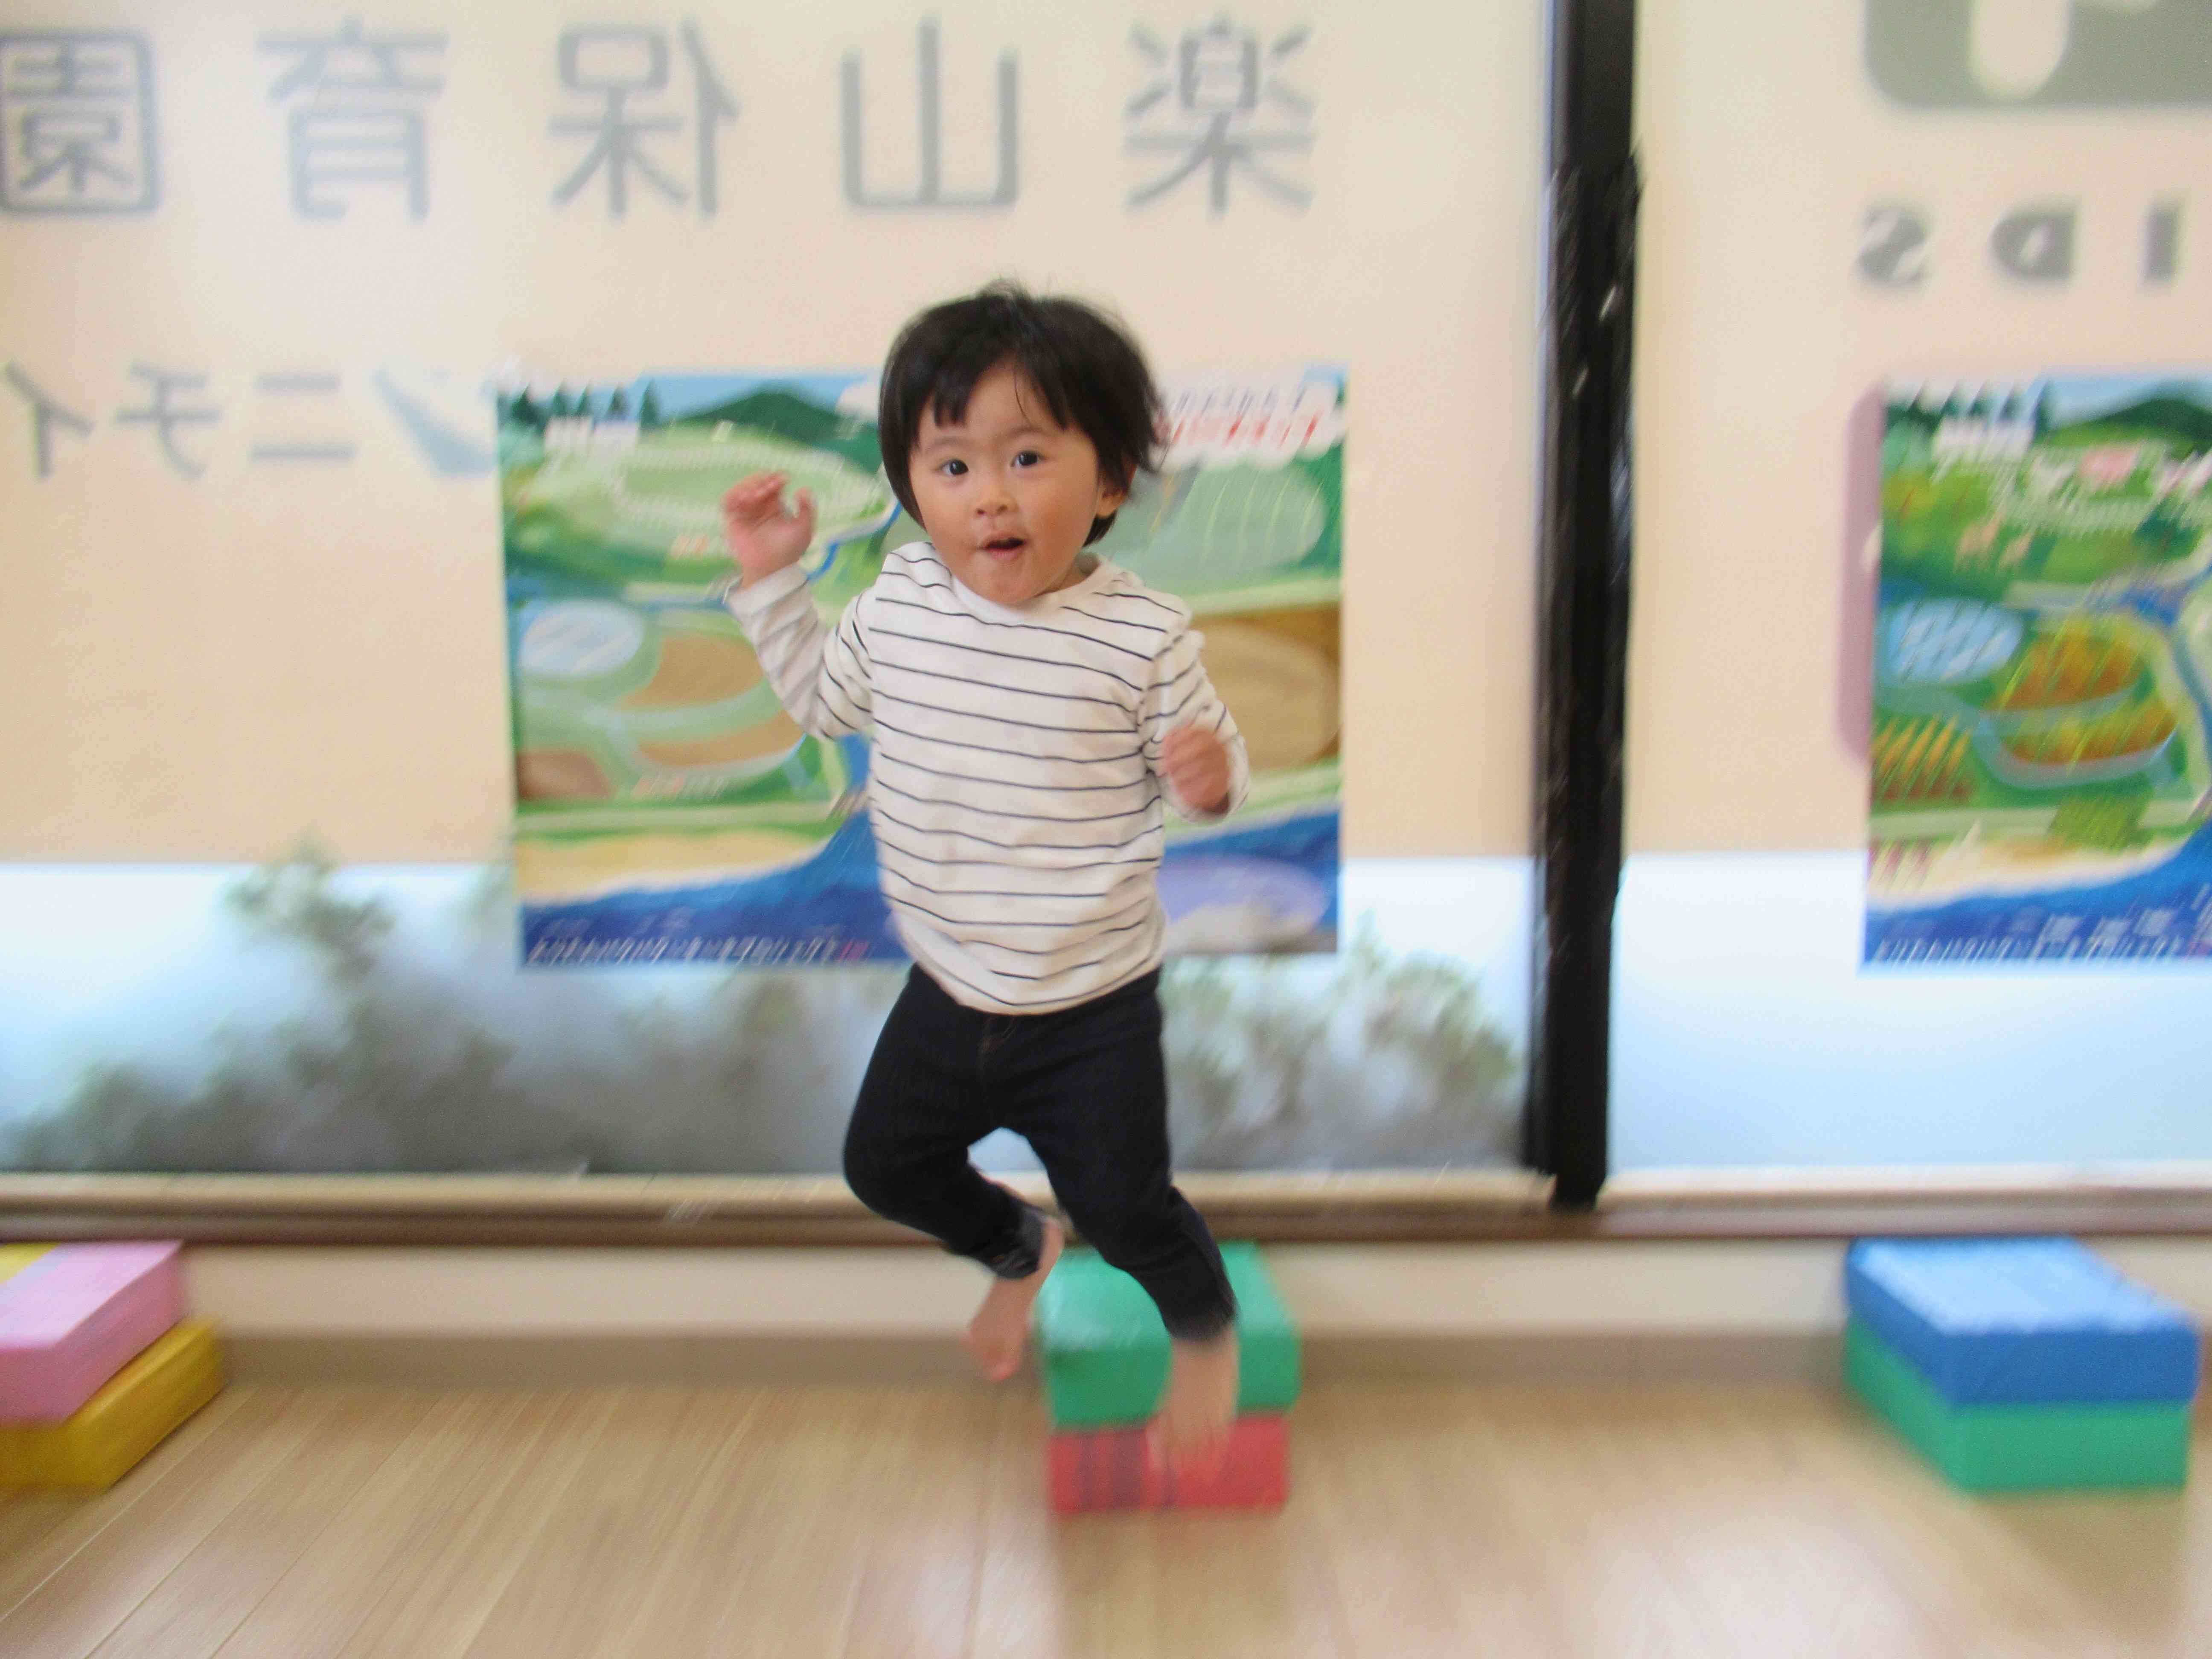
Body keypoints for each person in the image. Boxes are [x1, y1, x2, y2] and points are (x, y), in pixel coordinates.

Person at [719, 283, 1247, 1466]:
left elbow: (1207, 777)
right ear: (914, 491)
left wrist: (1208, 774)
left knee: (1129, 1208)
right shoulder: (900, 602)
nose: (991, 495)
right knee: (884, 1165)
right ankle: (1019, 1248)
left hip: (1092, 1007)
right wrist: (771, 580)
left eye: (1027, 456)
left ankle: (1207, 1330)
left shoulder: (1143, 635)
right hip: (950, 987)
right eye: (952, 467)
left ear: (1108, 482)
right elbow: (821, 698)